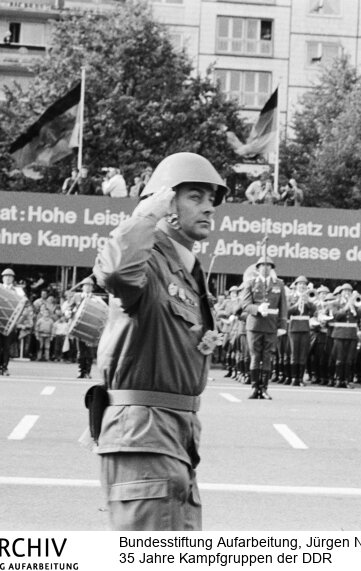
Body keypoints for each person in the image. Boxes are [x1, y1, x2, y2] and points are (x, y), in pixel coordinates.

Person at [92, 151, 227, 531]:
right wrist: (146, 214)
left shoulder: (186, 271)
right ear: (168, 203)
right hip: (145, 432)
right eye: (195, 197)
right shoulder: (149, 261)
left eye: (211, 200)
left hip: (175, 432)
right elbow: (116, 271)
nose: (209, 208)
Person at [241, 256, 288, 398]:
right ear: (258, 268)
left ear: (272, 269)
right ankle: (255, 387)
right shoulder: (250, 283)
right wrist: (257, 308)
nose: (266, 268)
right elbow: (245, 305)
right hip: (255, 324)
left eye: (269, 266)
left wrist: (282, 325)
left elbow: (283, 306)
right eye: (263, 265)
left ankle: (265, 387)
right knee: (255, 356)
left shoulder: (279, 284)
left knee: (268, 356)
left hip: (271, 325)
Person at [0, 268, 24, 376]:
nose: (8, 278)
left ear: (13, 279)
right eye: (6, 276)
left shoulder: (18, 290)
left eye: (10, 277)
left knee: (6, 346)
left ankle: (5, 367)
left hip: (10, 321)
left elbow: (24, 304)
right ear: (2, 278)